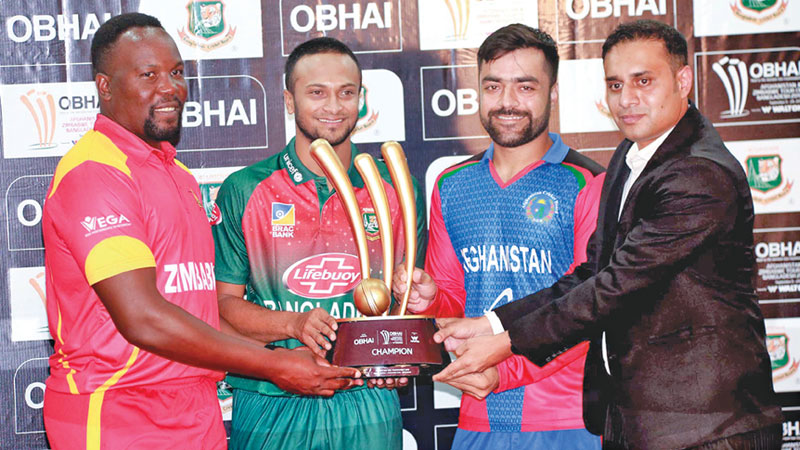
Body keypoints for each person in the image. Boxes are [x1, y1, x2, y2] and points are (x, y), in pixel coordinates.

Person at [432, 20, 783, 449]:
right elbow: (590, 274)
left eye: (643, 81)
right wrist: (490, 323)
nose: (626, 98)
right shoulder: (630, 157)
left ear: (683, 81)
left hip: (707, 427)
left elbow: (614, 288)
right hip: (643, 422)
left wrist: (505, 343)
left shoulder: (697, 173)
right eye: (615, 85)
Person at [41, 13, 360, 450]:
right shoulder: (95, 173)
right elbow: (142, 318)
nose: (169, 87)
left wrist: (279, 354)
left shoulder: (180, 176)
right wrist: (274, 366)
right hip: (118, 411)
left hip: (195, 409)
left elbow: (200, 313)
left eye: (176, 72)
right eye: (148, 75)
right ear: (105, 86)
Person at [392, 24, 604, 449]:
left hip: (564, 420)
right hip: (478, 416)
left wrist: (502, 371)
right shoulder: (453, 184)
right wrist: (429, 299)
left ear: (553, 93)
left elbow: (591, 308)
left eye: (525, 87)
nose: (507, 102)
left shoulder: (587, 182)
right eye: (493, 86)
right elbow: (453, 300)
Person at [211, 37, 427, 450]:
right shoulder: (246, 189)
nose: (333, 106)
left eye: (346, 93)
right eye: (316, 92)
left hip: (367, 398)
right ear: (289, 100)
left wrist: (399, 353)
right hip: (272, 396)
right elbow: (221, 306)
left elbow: (412, 301)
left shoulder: (398, 189)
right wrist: (293, 325)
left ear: (361, 99)